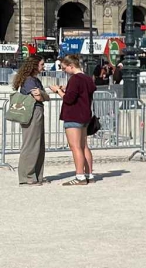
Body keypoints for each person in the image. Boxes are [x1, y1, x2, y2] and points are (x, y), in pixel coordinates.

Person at [47, 54, 95, 186]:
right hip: (85, 114)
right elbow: (83, 93)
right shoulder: (87, 78)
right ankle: (89, 174)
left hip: (73, 115)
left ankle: (79, 176)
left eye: (64, 68)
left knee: (75, 147)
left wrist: (58, 91)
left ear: (71, 66)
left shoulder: (75, 79)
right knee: (84, 146)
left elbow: (69, 99)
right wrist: (67, 89)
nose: (64, 71)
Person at [12, 55, 48, 185]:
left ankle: (36, 175)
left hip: (37, 111)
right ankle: (27, 176)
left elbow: (43, 96)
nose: (43, 67)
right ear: (34, 65)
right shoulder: (29, 81)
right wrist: (43, 95)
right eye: (41, 64)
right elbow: (39, 97)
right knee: (31, 144)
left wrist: (43, 95)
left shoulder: (34, 80)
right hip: (32, 112)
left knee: (39, 145)